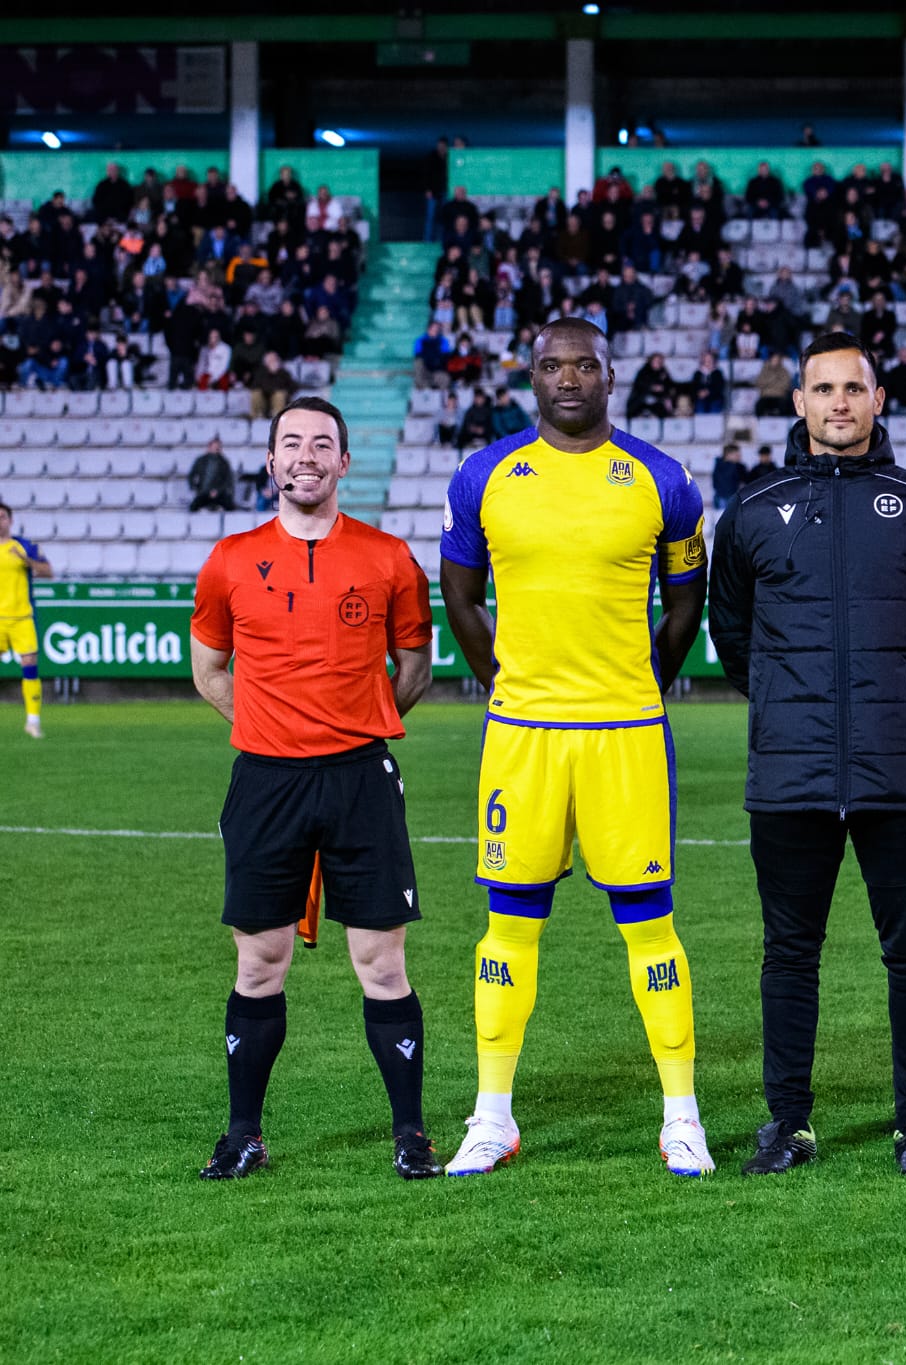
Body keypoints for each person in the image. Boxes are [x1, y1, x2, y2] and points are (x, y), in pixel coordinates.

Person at [438, 318, 715, 1179]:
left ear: (609, 373)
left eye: (585, 364)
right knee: (507, 927)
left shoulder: (661, 479)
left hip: (626, 734)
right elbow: (460, 590)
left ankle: (682, 1117)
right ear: (530, 377)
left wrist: (641, 684)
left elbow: (685, 605)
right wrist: (500, 680)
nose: (569, 378)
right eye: (552, 365)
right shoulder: (484, 475)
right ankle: (492, 1116)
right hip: (520, 736)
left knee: (650, 925)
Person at [707, 332, 906, 1177]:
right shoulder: (754, 508)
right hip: (789, 773)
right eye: (820, 389)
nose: (836, 403)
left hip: (897, 771)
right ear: (798, 403)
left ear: (878, 399)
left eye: (851, 388)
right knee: (789, 952)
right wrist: (795, 708)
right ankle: (787, 1122)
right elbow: (734, 634)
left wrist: (902, 700)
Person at [187, 398, 440, 1180]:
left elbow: (415, 669)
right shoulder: (229, 559)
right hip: (265, 783)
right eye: (291, 442)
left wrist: (352, 725)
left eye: (321, 444)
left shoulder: (389, 557)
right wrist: (276, 727)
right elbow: (209, 671)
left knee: (382, 963)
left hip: (362, 777)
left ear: (343, 462)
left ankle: (410, 1132)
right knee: (259, 963)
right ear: (270, 461)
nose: (306, 455)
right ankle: (243, 1134)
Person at [0, 502, 53, 739]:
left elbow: (48, 572)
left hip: (22, 617)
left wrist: (27, 562)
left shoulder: (25, 546)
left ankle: (33, 721)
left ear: (10, 521)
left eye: (2, 517)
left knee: (30, 665)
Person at [189, 437, 239, 513]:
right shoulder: (200, 461)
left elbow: (227, 480)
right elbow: (191, 475)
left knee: (231, 508)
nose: (217, 448)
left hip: (219, 494)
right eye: (215, 446)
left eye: (218, 447)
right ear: (209, 447)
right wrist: (195, 488)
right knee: (192, 508)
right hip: (203, 493)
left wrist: (218, 491)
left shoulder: (224, 462)